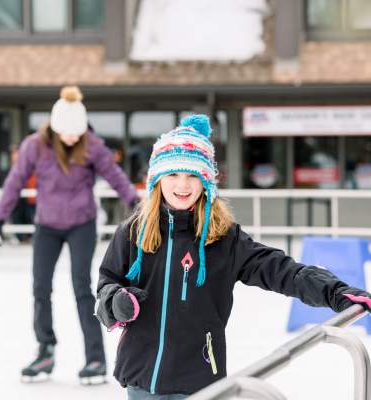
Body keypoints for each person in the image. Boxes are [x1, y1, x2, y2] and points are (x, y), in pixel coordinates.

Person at [94, 114, 371, 400]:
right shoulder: (134, 232)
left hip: (198, 380)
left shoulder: (223, 238)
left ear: (206, 182)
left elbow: (281, 270)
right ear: (157, 179)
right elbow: (106, 283)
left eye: (192, 175)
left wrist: (335, 292)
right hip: (140, 379)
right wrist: (116, 301)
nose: (183, 185)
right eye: (173, 174)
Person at [0, 86, 140, 385]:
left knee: (82, 288)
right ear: (55, 128)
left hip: (81, 224)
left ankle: (95, 357)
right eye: (67, 133)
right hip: (47, 225)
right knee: (40, 287)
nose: (72, 138)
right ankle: (45, 349)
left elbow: (115, 177)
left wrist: (138, 206)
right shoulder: (35, 145)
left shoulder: (93, 145)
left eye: (77, 133)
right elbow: (15, 180)